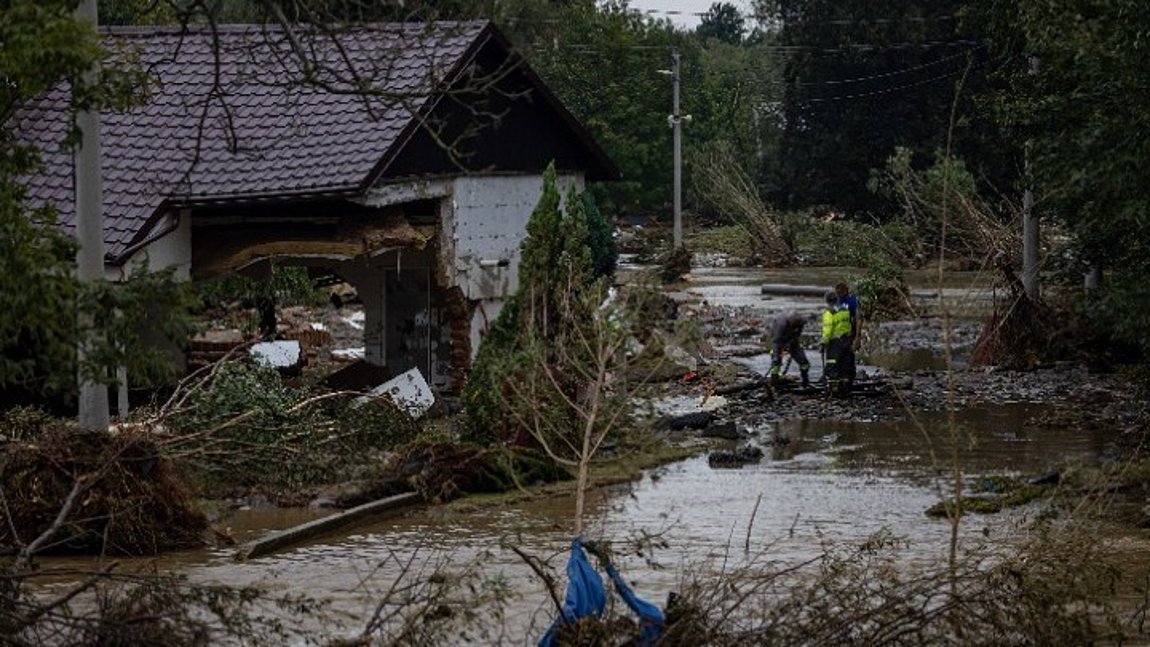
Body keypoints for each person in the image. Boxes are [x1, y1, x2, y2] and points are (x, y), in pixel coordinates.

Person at [821, 290, 854, 397]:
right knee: (845, 364)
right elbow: (849, 324)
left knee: (832, 365)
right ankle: (845, 388)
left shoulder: (829, 312)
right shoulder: (845, 309)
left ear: (827, 300)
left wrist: (824, 342)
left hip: (834, 342)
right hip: (846, 340)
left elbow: (827, 329)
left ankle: (833, 389)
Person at [769, 312, 811, 387]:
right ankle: (774, 382)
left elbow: (797, 334)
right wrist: (779, 353)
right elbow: (776, 341)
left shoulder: (800, 322)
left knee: (804, 362)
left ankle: (805, 380)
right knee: (776, 361)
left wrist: (791, 343)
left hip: (792, 341)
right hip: (778, 341)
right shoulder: (781, 325)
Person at [835, 282, 861, 382]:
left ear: (846, 291)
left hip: (850, 333)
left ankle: (849, 378)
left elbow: (859, 319)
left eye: (840, 293)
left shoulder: (853, 301)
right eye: (837, 293)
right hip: (838, 334)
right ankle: (839, 377)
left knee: (848, 355)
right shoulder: (837, 301)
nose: (838, 294)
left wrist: (858, 337)